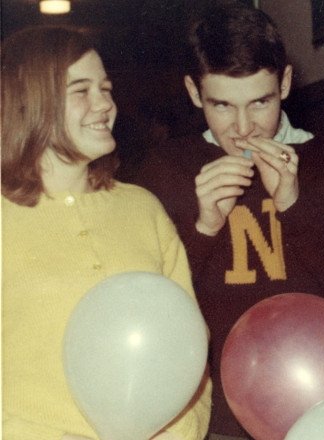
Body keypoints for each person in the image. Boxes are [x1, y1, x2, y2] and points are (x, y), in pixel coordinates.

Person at [129, 1, 324, 437]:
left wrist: (296, 206)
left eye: (260, 102)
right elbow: (145, 319)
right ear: (194, 93)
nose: (244, 128)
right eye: (222, 105)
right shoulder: (166, 170)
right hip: (216, 422)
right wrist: (203, 229)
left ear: (286, 83)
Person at [1, 26, 211, 439]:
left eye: (106, 88)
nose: (105, 105)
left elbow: (190, 347)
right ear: (29, 102)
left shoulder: (143, 208)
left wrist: (181, 432)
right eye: (81, 90)